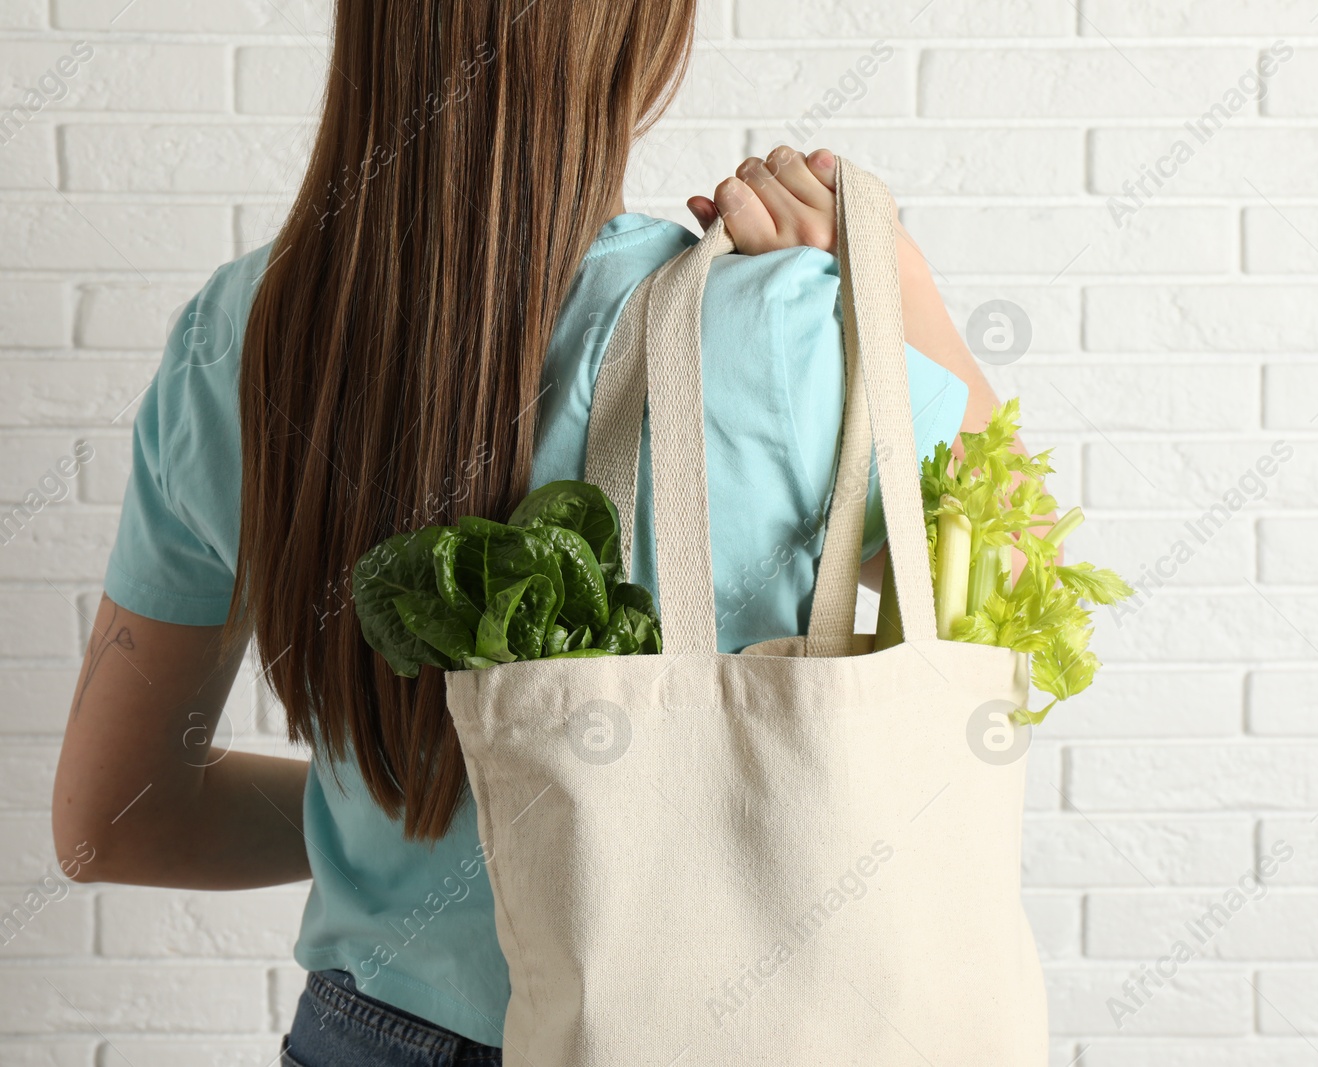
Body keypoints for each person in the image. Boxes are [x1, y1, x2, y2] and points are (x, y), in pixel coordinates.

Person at [51, 2, 1006, 1064]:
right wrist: (895, 284)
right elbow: (1010, 613)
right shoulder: (777, 324)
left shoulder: (236, 334)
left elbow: (117, 818)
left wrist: (419, 821)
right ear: (644, 40)